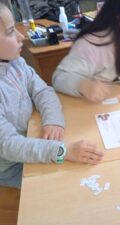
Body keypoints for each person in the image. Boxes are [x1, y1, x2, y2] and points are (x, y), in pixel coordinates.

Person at [0, 3, 103, 189]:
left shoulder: (17, 63)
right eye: (9, 31)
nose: (20, 35)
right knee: (67, 187)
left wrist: (53, 120)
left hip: (34, 141)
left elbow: (43, 90)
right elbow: (9, 145)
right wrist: (63, 150)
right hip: (12, 167)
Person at [52, 0, 120, 103]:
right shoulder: (92, 43)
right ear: (117, 15)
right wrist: (83, 85)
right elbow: (59, 78)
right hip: (103, 109)